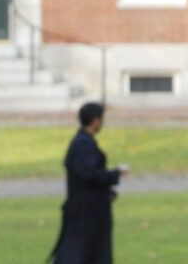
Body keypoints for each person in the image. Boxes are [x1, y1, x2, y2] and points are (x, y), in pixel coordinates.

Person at [50, 102, 125, 264]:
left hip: (89, 209)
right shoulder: (82, 144)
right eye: (101, 118)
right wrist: (114, 174)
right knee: (81, 251)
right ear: (94, 120)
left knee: (88, 250)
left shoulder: (84, 142)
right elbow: (89, 174)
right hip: (86, 212)